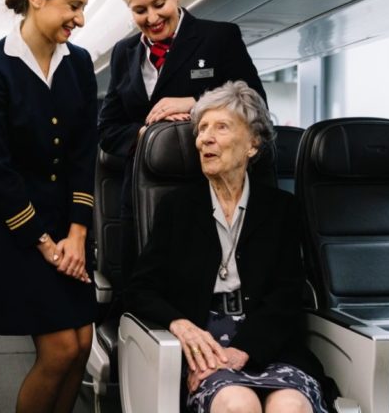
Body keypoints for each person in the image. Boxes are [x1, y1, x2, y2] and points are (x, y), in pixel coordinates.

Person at [126, 81, 334, 413]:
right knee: (238, 404)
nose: (204, 138)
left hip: (268, 340)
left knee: (290, 407)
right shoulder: (177, 207)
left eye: (220, 127)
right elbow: (140, 289)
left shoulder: (281, 209)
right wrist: (181, 325)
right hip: (202, 340)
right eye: (202, 128)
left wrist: (244, 350)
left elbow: (287, 295)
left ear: (253, 144)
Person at [0, 0, 100, 413]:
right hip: (13, 227)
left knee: (82, 344)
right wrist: (46, 243)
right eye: (74, 5)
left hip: (69, 228)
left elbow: (85, 150)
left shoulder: (79, 65)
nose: (80, 19)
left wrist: (78, 234)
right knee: (59, 348)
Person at [98, 0, 269, 290]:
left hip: (207, 186)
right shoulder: (124, 53)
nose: (152, 18)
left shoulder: (218, 37)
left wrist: (196, 105)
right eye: (139, 10)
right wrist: (146, 136)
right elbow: (108, 128)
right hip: (144, 187)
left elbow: (256, 104)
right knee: (143, 287)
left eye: (159, 4)